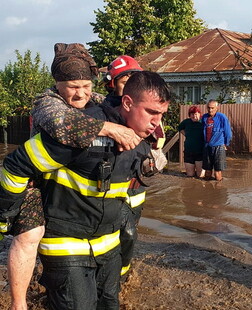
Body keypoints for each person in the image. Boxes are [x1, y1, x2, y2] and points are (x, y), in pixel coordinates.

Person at [0, 70, 171, 310]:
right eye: (152, 112)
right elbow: (15, 166)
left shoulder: (144, 138)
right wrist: (6, 216)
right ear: (128, 102)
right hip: (66, 245)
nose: (157, 122)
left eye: (162, 114)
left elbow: (131, 200)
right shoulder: (81, 132)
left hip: (109, 248)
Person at [101, 55, 166, 278]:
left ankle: (122, 272)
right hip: (112, 185)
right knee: (120, 232)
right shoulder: (103, 112)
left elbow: (157, 140)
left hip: (135, 185)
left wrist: (155, 156)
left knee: (129, 232)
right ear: (112, 84)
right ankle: (113, 274)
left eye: (133, 78)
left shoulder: (148, 110)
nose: (128, 83)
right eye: (123, 80)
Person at [201, 99, 232, 181]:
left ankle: (218, 191)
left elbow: (228, 133)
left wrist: (226, 144)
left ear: (216, 108)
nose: (210, 110)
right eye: (208, 108)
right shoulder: (204, 117)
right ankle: (207, 190)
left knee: (217, 173)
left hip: (219, 146)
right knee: (207, 172)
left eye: (212, 108)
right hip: (207, 147)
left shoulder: (222, 117)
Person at [178, 106, 205, 178]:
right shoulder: (186, 122)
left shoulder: (203, 122)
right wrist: (186, 134)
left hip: (200, 152)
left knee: (200, 175)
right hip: (189, 151)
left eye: (196, 114)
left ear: (199, 114)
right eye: (192, 114)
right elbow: (179, 128)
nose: (194, 116)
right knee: (190, 175)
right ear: (189, 115)